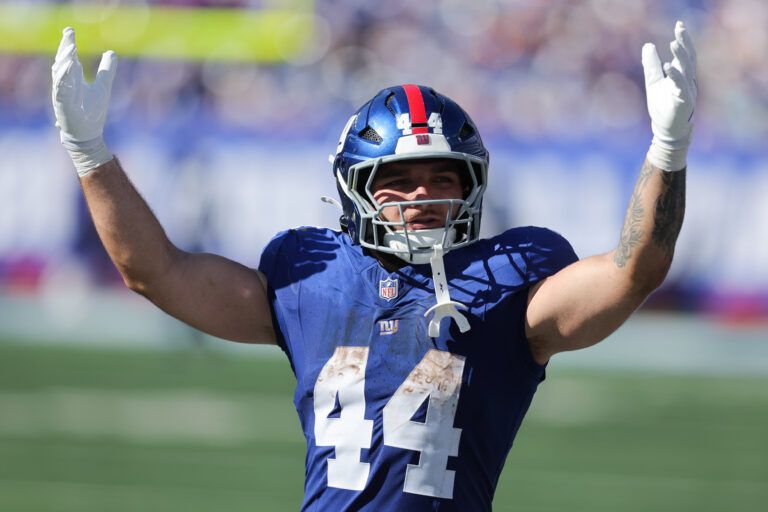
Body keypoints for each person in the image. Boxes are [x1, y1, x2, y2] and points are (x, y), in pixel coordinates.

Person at [51, 20, 696, 511]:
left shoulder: (510, 281)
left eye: (442, 177)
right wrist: (89, 154)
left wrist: (666, 151)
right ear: (354, 188)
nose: (421, 195)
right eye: (398, 180)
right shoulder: (313, 274)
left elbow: (632, 270)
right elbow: (155, 273)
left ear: (472, 187)